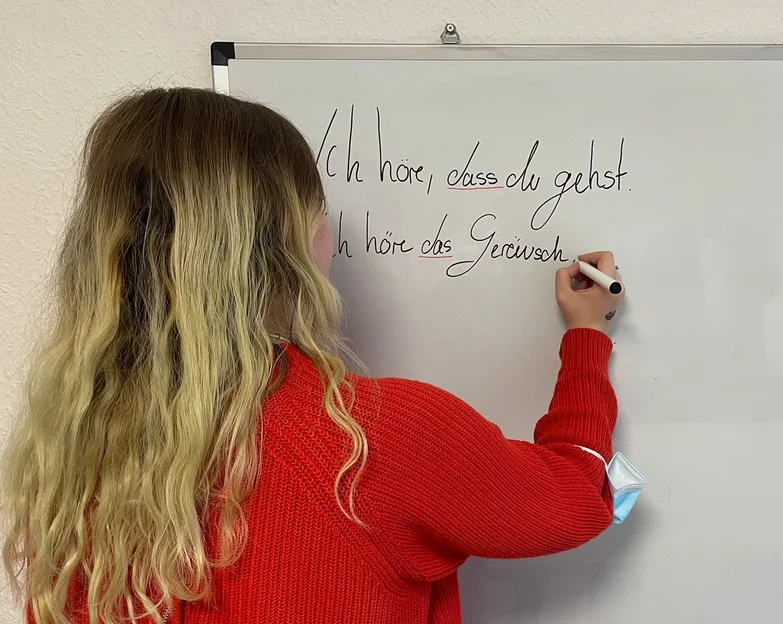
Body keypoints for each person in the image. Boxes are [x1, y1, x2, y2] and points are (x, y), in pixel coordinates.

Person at [1, 87, 625, 624]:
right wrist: (588, 340)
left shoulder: (70, 457)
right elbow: (574, 495)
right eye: (318, 213)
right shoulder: (372, 439)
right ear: (290, 244)